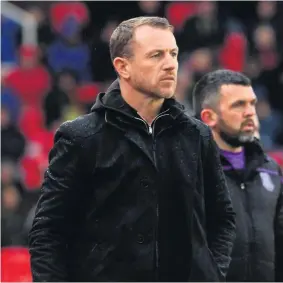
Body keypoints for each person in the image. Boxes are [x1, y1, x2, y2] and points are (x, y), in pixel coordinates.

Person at [29, 17, 236, 282]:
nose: (171, 64)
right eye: (156, 55)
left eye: (173, 53)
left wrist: (211, 274)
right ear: (122, 66)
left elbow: (222, 218)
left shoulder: (197, 136)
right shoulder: (81, 138)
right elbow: (48, 234)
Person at [192, 69, 283, 282]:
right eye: (238, 105)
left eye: (252, 103)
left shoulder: (270, 169)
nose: (250, 111)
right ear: (209, 117)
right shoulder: (192, 172)